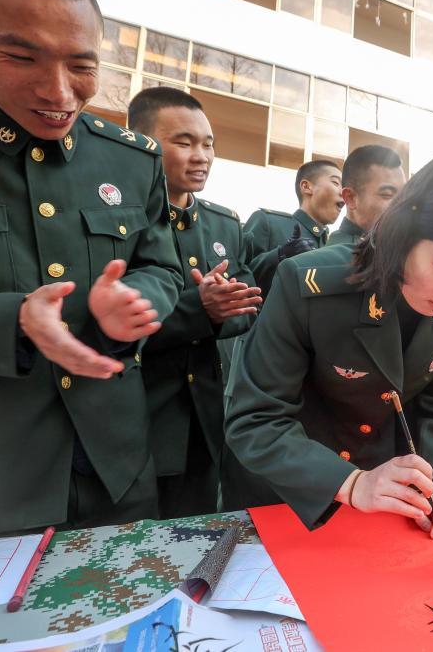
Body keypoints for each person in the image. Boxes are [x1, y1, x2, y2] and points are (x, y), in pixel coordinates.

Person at [0, 0, 182, 548]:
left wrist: (132, 302)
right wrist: (12, 323)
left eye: (82, 65)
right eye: (21, 57)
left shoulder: (130, 160)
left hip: (115, 472)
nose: (58, 92)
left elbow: (161, 267)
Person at [222, 148, 433, 536]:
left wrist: (432, 492)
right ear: (407, 229)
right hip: (287, 498)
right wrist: (351, 483)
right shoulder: (310, 284)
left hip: (377, 506)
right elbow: (256, 418)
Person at [127, 87, 263, 518]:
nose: (201, 156)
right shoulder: (122, 219)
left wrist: (221, 313)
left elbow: (247, 305)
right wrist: (198, 310)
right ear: (144, 144)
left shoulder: (223, 223)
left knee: (197, 531)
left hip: (204, 418)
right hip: (139, 416)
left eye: (208, 144)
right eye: (183, 143)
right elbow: (112, 323)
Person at [244, 160, 342, 293]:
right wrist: (280, 254)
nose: (343, 192)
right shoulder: (268, 221)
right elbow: (237, 274)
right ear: (306, 187)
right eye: (336, 183)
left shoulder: (333, 245)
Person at [327, 145, 405, 246]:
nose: (401, 204)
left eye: (403, 195)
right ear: (351, 198)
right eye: (387, 194)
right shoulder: (342, 253)